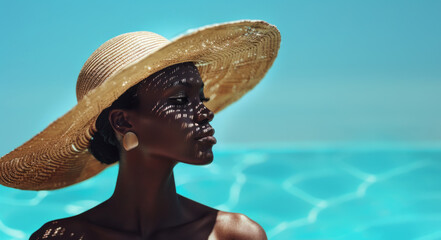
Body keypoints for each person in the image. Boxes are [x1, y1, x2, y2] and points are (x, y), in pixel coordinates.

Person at [0, 20, 280, 239]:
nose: (205, 113)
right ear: (122, 122)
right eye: (181, 100)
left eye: (202, 98)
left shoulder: (236, 235)